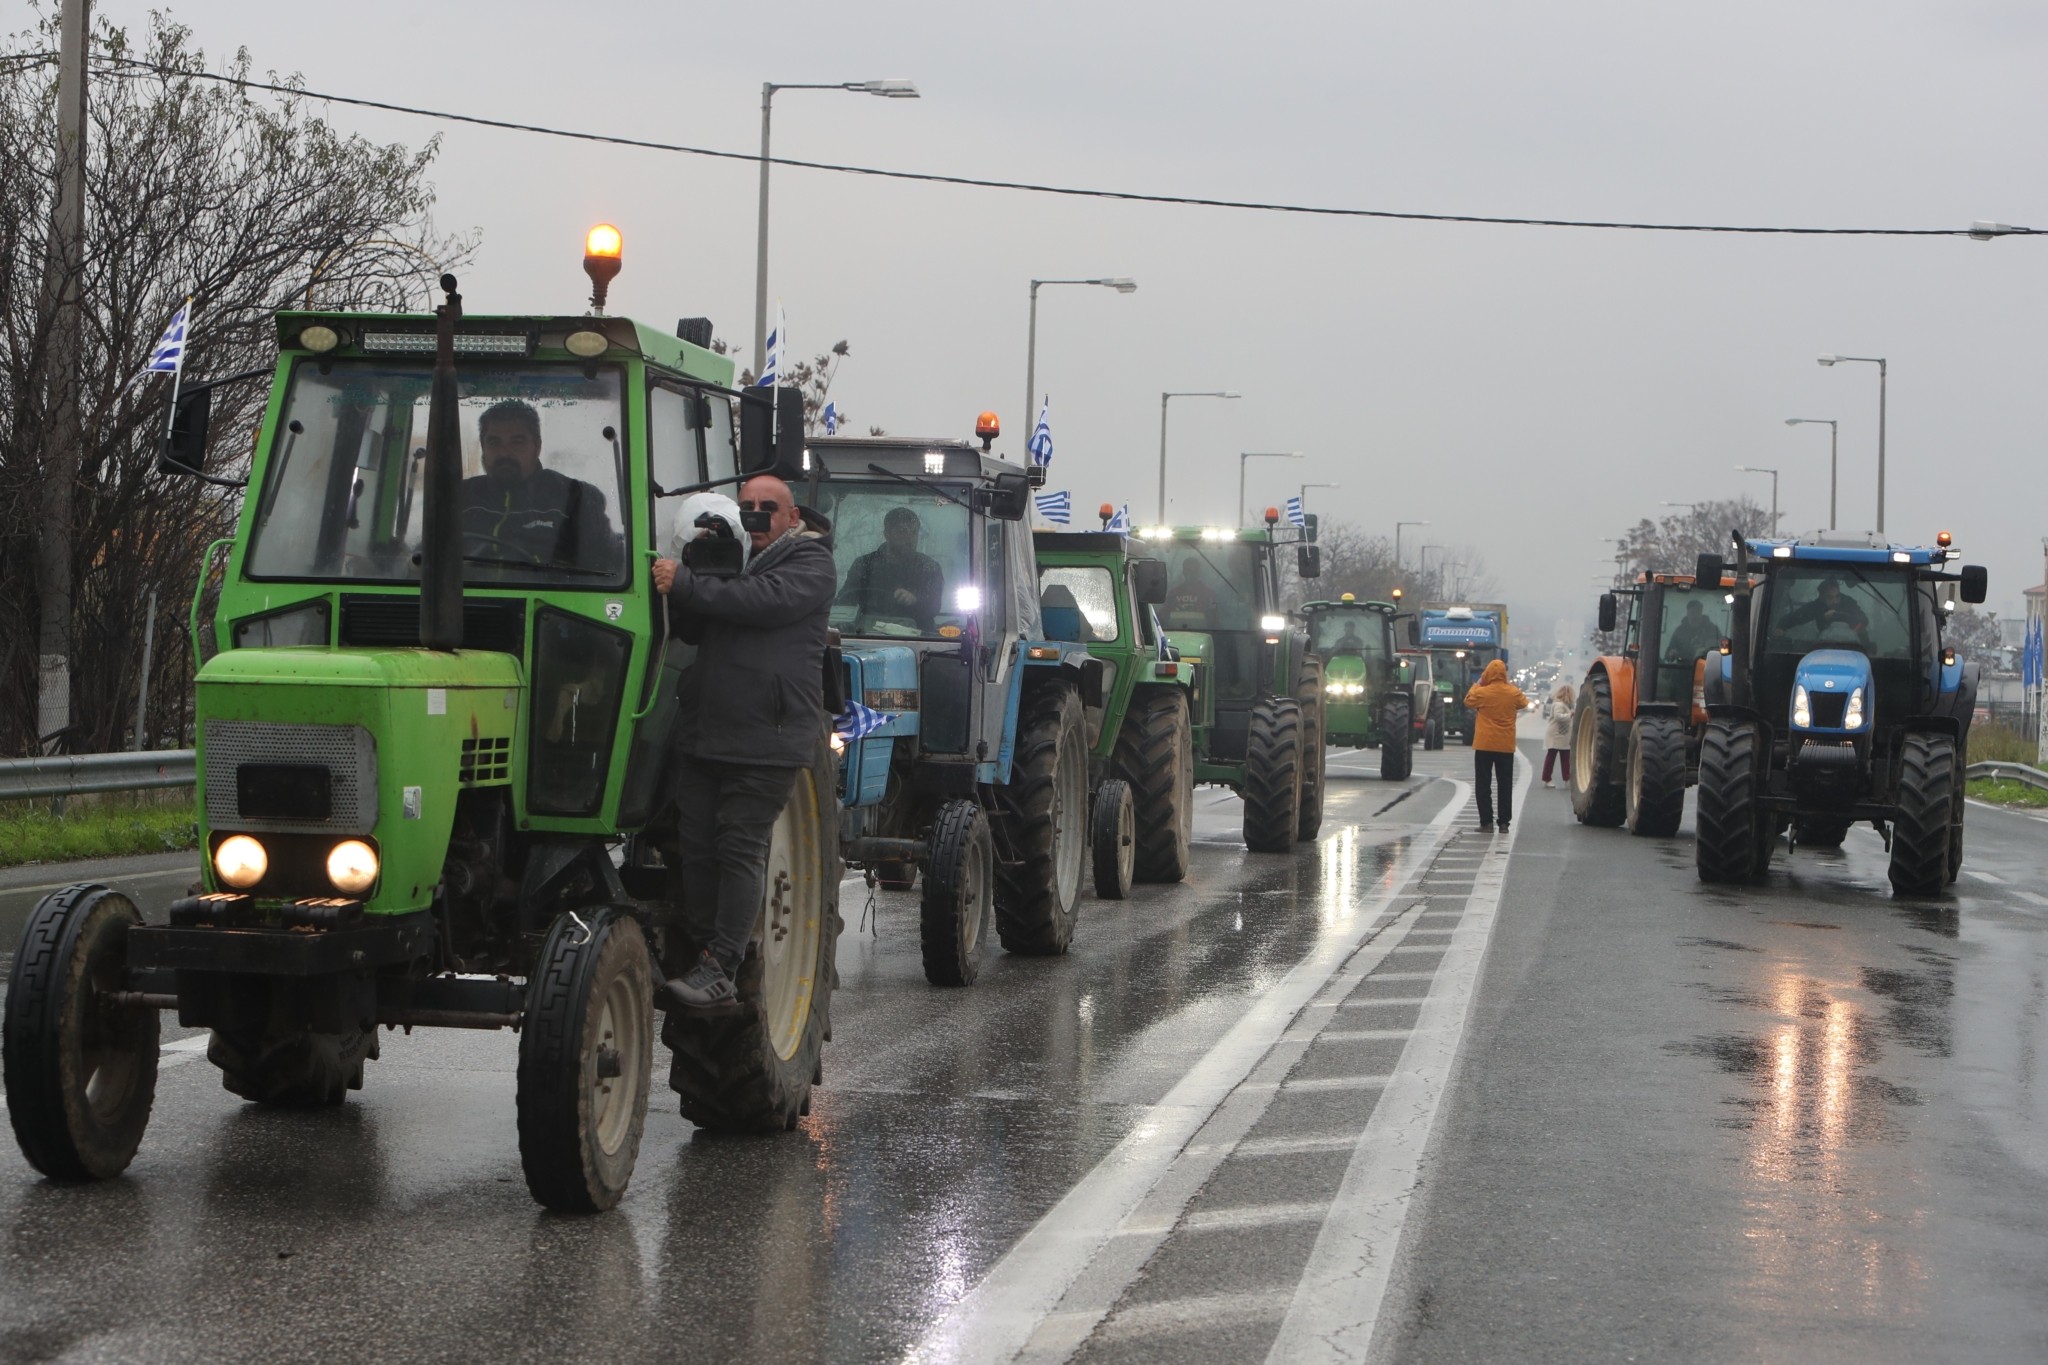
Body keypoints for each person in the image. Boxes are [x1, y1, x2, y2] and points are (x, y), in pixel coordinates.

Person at [651, 474, 836, 1008]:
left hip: (767, 737)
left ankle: (723, 965)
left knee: (740, 847)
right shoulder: (729, 559)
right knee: (699, 850)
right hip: (708, 732)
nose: (756, 517)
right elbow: (691, 629)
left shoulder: (809, 563)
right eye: (747, 508)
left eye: (768, 509)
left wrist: (687, 582)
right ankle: (708, 948)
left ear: (792, 515)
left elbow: (762, 602)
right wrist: (695, 566)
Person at [459, 399, 618, 571]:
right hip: (465, 598)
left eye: (517, 441)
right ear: (483, 447)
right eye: (494, 442)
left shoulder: (575, 498)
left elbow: (611, 568)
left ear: (537, 447)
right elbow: (429, 562)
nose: (504, 452)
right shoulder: (460, 497)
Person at [837, 506, 944, 630]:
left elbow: (934, 607)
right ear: (887, 534)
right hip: (868, 636)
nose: (910, 538)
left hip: (918, 639)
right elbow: (844, 603)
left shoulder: (929, 567)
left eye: (914, 532)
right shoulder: (865, 565)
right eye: (902, 531)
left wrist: (915, 600)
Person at [1464, 658, 1529, 834]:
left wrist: (1478, 684)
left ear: (1488, 674)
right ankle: (1504, 823)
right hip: (1505, 746)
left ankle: (1486, 822)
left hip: (1484, 744)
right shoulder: (1512, 693)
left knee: (1483, 784)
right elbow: (1524, 703)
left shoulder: (1482, 693)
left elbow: (1468, 700)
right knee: (1505, 785)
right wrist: (1511, 687)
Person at [1776, 577, 1868, 643]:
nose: (1835, 601)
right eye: (1830, 597)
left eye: (1837, 597)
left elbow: (1864, 620)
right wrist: (1781, 626)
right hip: (1823, 647)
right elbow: (1798, 616)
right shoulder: (1817, 607)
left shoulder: (1848, 603)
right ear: (1822, 597)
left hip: (1853, 646)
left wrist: (1854, 632)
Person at [1163, 560, 1219, 626]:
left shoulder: (1210, 595)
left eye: (1195, 571)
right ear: (1184, 572)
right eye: (1188, 570)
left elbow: (1214, 621)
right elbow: (1164, 617)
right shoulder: (1173, 594)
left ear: (1199, 572)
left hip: (1203, 634)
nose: (1192, 574)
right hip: (1176, 634)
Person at [1541, 682, 1575, 789]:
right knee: (1552, 758)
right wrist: (1570, 714)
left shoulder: (1562, 705)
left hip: (1562, 736)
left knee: (1565, 758)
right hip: (1556, 736)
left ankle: (1567, 778)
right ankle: (1548, 778)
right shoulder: (1559, 705)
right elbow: (1558, 717)